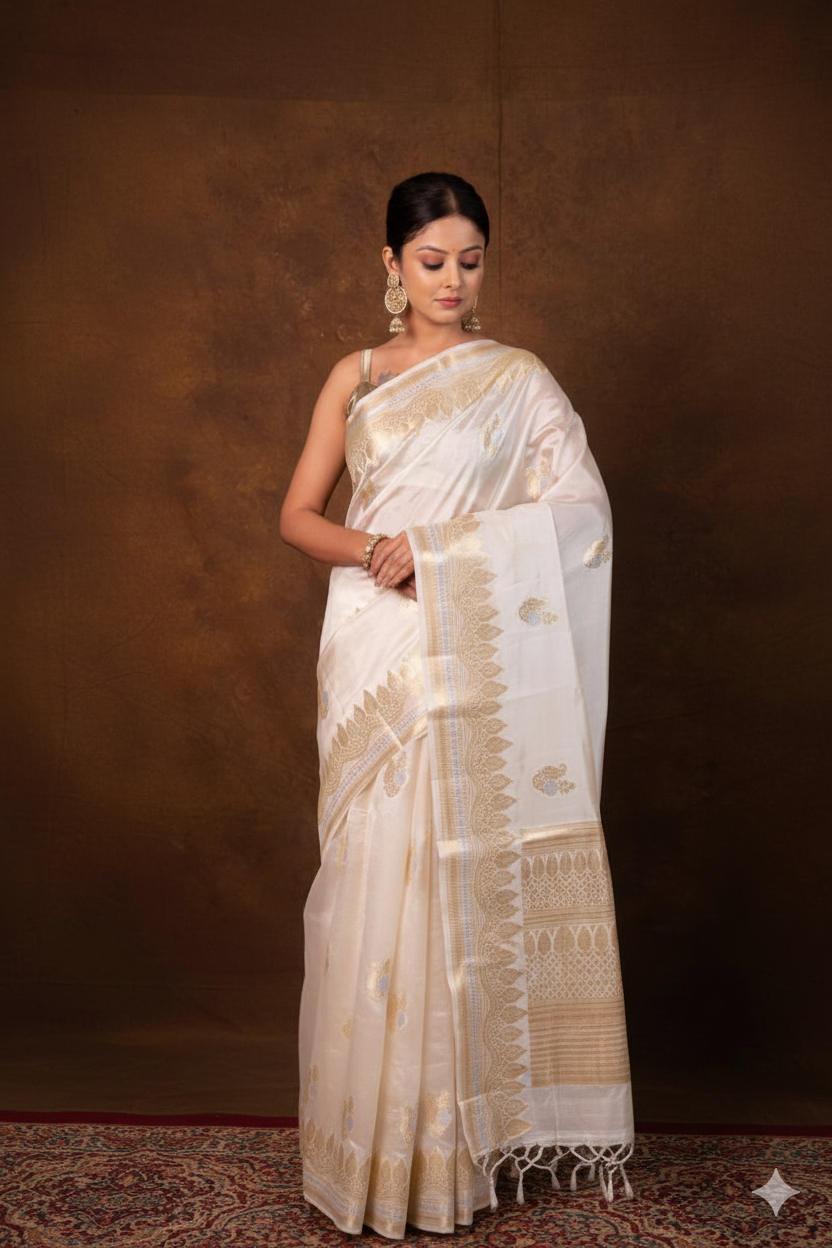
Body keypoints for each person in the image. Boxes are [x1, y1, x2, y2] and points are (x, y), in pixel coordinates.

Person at [280, 172, 635, 1239]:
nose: (451, 280)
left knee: (453, 877)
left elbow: (582, 516)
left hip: (469, 643)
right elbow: (298, 515)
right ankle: (363, 1149)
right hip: (375, 644)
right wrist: (381, 553)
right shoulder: (354, 375)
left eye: (469, 260)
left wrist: (441, 555)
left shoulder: (518, 380)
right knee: (367, 878)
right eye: (430, 261)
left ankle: (449, 1151)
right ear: (390, 265)